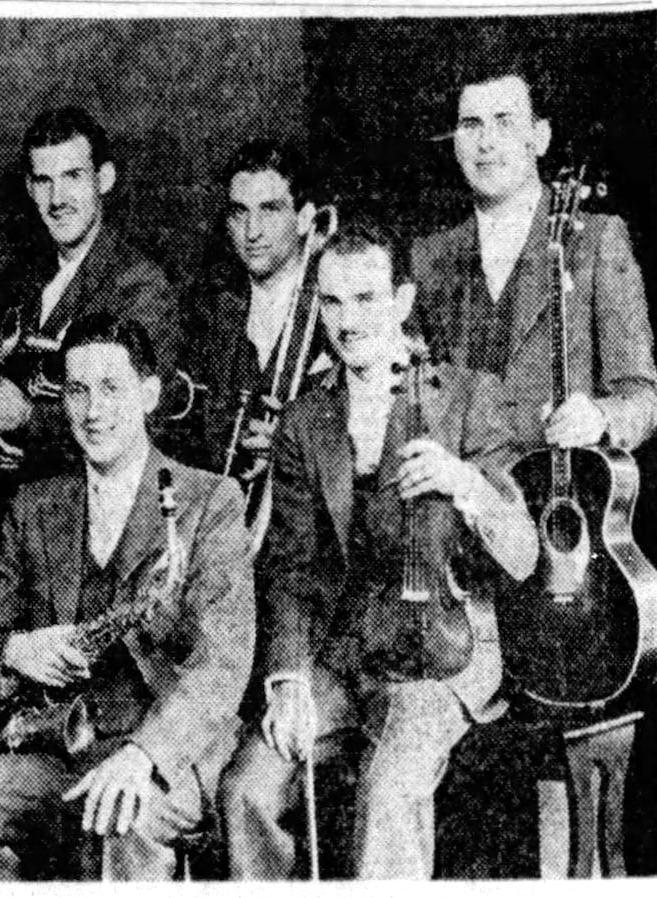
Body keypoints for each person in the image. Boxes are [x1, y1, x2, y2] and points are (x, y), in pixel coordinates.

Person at [217, 222, 540, 879]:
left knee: (387, 791)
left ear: (401, 301)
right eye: (331, 302)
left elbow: (523, 552)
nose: (348, 320)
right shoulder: (306, 420)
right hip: (343, 656)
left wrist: (465, 483)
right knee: (245, 788)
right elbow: (289, 568)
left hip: (443, 657)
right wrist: (286, 679)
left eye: (366, 300)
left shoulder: (469, 399)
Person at [0, 313, 254, 881]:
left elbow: (222, 662)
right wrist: (15, 649)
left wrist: (145, 754)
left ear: (149, 394)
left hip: (170, 747)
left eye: (111, 388)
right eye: (77, 390)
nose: (93, 411)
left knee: (123, 818)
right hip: (60, 744)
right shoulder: (33, 505)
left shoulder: (211, 500)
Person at [413, 64, 657, 453]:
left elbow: (643, 397)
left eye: (504, 123)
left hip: (560, 497)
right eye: (471, 124)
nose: (486, 143)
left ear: (539, 138)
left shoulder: (596, 240)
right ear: (455, 144)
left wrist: (600, 415)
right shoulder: (429, 257)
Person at [0, 107, 178, 484]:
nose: (57, 198)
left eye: (73, 177)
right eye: (44, 181)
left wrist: (28, 419)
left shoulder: (138, 284)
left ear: (104, 179)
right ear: (30, 189)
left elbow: (143, 415)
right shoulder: (21, 278)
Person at [171, 139, 328, 480]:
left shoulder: (334, 306)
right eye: (239, 212)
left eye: (269, 210)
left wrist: (297, 447)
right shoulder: (205, 311)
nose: (251, 231)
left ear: (304, 219)